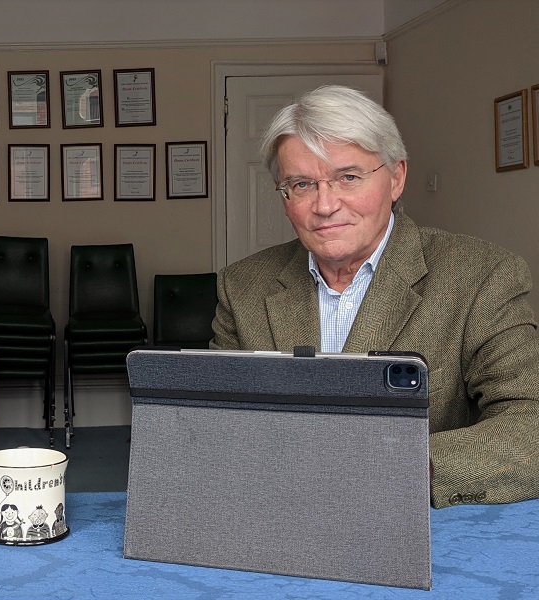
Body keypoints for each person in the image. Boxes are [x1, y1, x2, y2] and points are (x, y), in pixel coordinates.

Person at [211, 85, 539, 508]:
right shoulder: (244, 286)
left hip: (415, 526)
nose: (325, 205)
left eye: (348, 177)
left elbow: (529, 418)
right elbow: (219, 422)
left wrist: (398, 468)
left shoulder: (480, 275)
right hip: (276, 515)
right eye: (302, 184)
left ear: (396, 177)